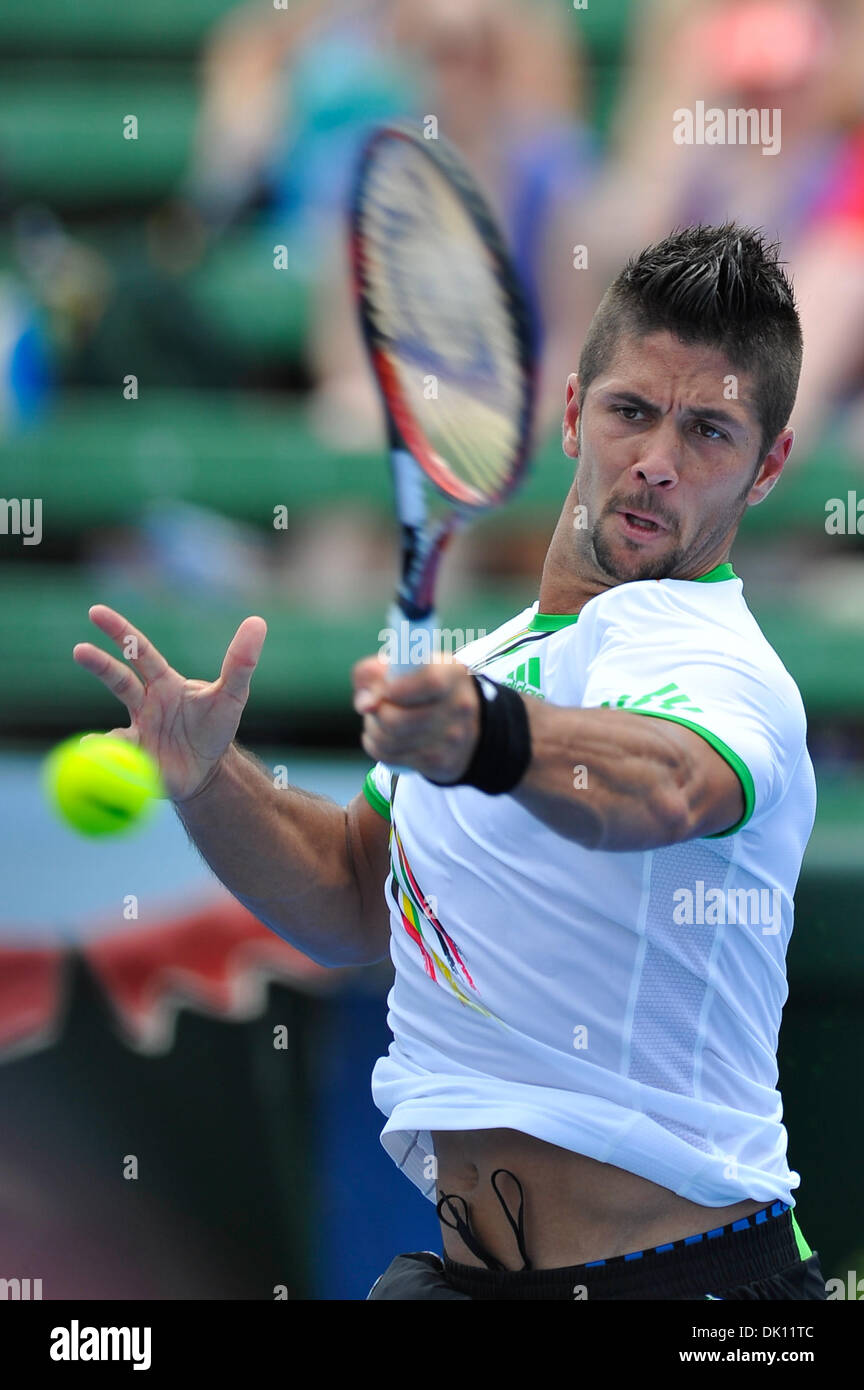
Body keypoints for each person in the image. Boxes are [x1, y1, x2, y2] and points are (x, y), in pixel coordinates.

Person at [73, 223, 827, 1300]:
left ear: (768, 469)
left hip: (691, 1289)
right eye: (631, 411)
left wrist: (489, 736)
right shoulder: (489, 661)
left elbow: (665, 782)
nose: (657, 459)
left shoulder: (719, 665)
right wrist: (208, 777)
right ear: (572, 412)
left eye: (709, 430)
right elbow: (349, 892)